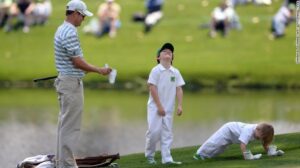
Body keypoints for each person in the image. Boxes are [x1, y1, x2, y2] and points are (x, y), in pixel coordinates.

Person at [54, 0, 111, 167]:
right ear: (75, 13)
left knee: (64, 125)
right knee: (71, 128)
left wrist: (83, 69)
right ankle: (67, 165)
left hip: (66, 80)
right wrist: (98, 70)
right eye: (83, 16)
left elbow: (73, 62)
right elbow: (77, 61)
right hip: (71, 85)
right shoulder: (70, 32)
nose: (84, 19)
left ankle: (61, 163)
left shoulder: (61, 29)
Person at [145, 42, 185, 165]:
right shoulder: (156, 70)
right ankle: (150, 155)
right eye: (164, 51)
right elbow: (152, 88)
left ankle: (167, 159)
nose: (168, 52)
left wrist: (179, 105)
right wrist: (159, 106)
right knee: (154, 132)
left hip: (169, 108)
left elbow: (179, 88)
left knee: (167, 133)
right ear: (158, 57)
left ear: (172, 57)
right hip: (155, 108)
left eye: (170, 51)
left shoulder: (175, 72)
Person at [193, 122, 284, 160]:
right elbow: (242, 144)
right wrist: (246, 156)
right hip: (228, 130)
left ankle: (207, 157)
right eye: (261, 136)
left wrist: (270, 152)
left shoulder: (260, 131)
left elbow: (264, 143)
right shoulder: (248, 131)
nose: (261, 138)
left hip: (233, 136)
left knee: (221, 148)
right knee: (215, 142)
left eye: (263, 137)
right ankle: (199, 154)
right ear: (258, 129)